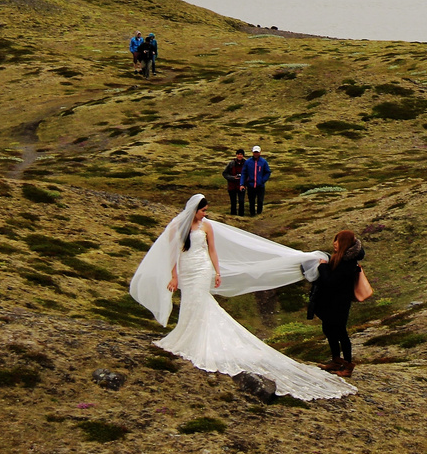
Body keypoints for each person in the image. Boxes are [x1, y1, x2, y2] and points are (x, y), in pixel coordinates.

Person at [127, 193, 353, 400]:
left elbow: (212, 250)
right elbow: (172, 253)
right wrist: (174, 276)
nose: (206, 214)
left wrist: (216, 271)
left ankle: (195, 337)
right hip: (186, 269)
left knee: (200, 300)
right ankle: (187, 332)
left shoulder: (206, 227)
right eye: (203, 210)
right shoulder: (178, 226)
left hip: (202, 268)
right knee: (191, 301)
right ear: (194, 209)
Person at [308, 230, 366, 377]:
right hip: (331, 302)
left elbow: (331, 281)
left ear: (344, 243)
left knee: (341, 333)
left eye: (337, 240)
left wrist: (323, 267)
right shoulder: (342, 258)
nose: (334, 243)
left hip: (339, 304)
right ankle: (336, 360)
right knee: (328, 329)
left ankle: (348, 365)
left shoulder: (348, 263)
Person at [242, 146, 271, 216]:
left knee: (260, 201)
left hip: (260, 185)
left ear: (260, 152)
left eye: (257, 152)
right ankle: (252, 214)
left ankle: (259, 213)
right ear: (252, 152)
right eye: (255, 152)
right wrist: (242, 184)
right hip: (251, 185)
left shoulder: (263, 162)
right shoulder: (248, 162)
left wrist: (262, 180)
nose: (256, 154)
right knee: (251, 201)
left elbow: (267, 172)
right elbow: (244, 173)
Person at [222, 150, 246, 216]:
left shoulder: (246, 163)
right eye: (238, 154)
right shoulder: (231, 163)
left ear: (243, 155)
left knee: (241, 201)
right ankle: (233, 216)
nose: (239, 156)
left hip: (242, 186)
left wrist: (244, 180)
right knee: (233, 202)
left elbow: (249, 174)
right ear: (236, 155)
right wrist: (233, 178)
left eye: (241, 154)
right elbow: (224, 173)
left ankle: (241, 217)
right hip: (232, 186)